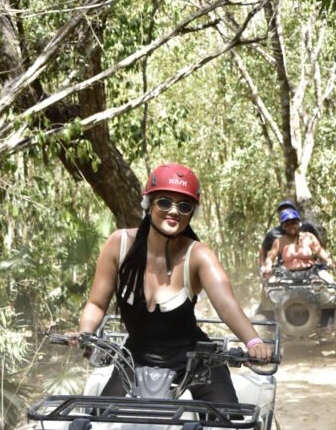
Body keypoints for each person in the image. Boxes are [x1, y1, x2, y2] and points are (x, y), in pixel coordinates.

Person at [77, 162, 272, 403]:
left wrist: (253, 342)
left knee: (228, 428)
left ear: (192, 212)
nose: (174, 211)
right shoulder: (119, 245)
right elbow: (96, 303)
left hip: (197, 363)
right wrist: (86, 334)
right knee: (99, 427)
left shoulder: (198, 254)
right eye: (165, 202)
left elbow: (226, 305)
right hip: (135, 359)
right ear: (149, 203)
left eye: (184, 205)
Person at [260, 206, 334, 281]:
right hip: (286, 275)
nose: (290, 226)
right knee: (272, 285)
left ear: (298, 223)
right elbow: (270, 257)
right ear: (283, 227)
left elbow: (320, 251)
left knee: (329, 283)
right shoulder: (279, 241)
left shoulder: (308, 236)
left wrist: (329, 261)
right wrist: (267, 267)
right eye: (287, 224)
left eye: (293, 223)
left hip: (311, 272)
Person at [258, 199, 323, 269]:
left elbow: (319, 246)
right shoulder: (273, 234)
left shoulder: (307, 229)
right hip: (284, 271)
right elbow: (263, 250)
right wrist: (263, 266)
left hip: (309, 267)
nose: (286, 212)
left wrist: (321, 260)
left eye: (288, 209)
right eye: (282, 211)